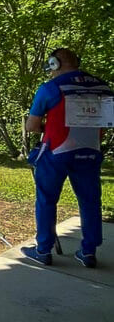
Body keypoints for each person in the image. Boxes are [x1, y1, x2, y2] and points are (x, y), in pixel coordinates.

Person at [21, 48, 111, 269]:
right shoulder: (104, 87)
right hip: (91, 152)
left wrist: (50, 127)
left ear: (54, 64)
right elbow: (105, 125)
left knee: (46, 200)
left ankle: (43, 250)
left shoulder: (50, 88)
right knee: (90, 202)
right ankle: (88, 252)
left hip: (55, 153)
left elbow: (32, 126)